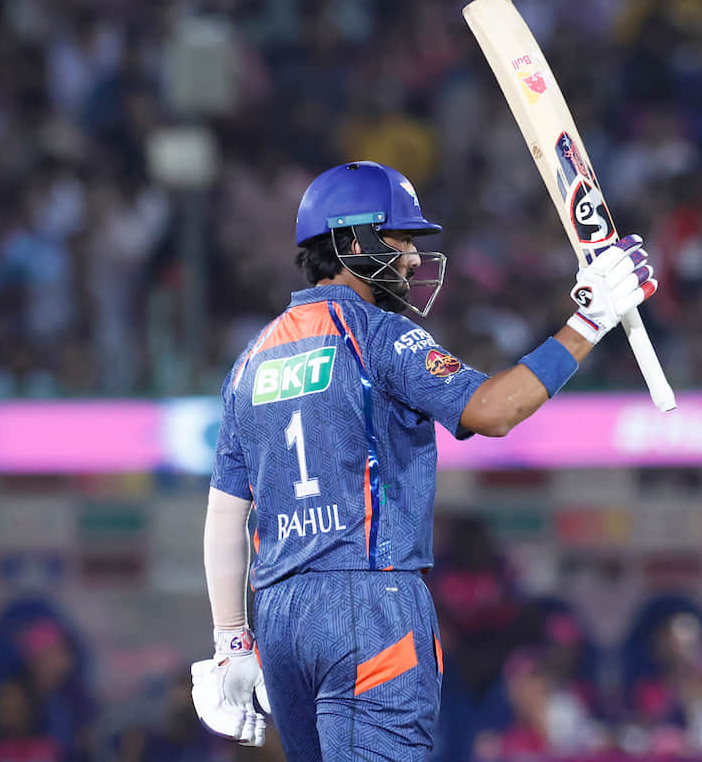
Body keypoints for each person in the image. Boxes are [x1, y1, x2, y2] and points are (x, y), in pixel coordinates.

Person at [190, 160, 658, 760]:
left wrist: (231, 641)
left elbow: (225, 515)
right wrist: (589, 322)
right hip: (370, 602)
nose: (413, 258)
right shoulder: (378, 335)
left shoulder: (249, 362)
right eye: (400, 238)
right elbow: (494, 411)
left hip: (279, 617)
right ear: (352, 243)